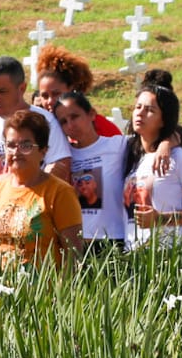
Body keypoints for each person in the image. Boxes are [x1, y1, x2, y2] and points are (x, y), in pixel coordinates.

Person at [0, 56, 71, 251]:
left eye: (1, 91)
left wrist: (3, 186)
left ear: (22, 88)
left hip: (32, 235)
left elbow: (61, 169)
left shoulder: (43, 121)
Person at [0, 110, 85, 267]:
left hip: (42, 290)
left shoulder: (60, 192)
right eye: (10, 145)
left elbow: (73, 259)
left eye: (26, 146)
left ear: (43, 151)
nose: (16, 152)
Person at [124, 84, 182, 248]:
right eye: (138, 107)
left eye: (150, 110)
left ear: (164, 119)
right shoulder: (132, 155)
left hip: (170, 255)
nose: (140, 113)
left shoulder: (180, 159)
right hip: (133, 253)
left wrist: (159, 219)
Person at [54, 91, 128, 251]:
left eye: (75, 116)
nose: (71, 125)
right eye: (64, 122)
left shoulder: (119, 145)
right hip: (77, 244)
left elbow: (157, 138)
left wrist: (165, 145)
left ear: (91, 114)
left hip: (113, 241)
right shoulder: (63, 157)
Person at [33, 46, 120, 135]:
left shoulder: (101, 128)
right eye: (45, 96)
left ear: (72, 89)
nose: (49, 101)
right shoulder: (38, 130)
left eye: (56, 94)